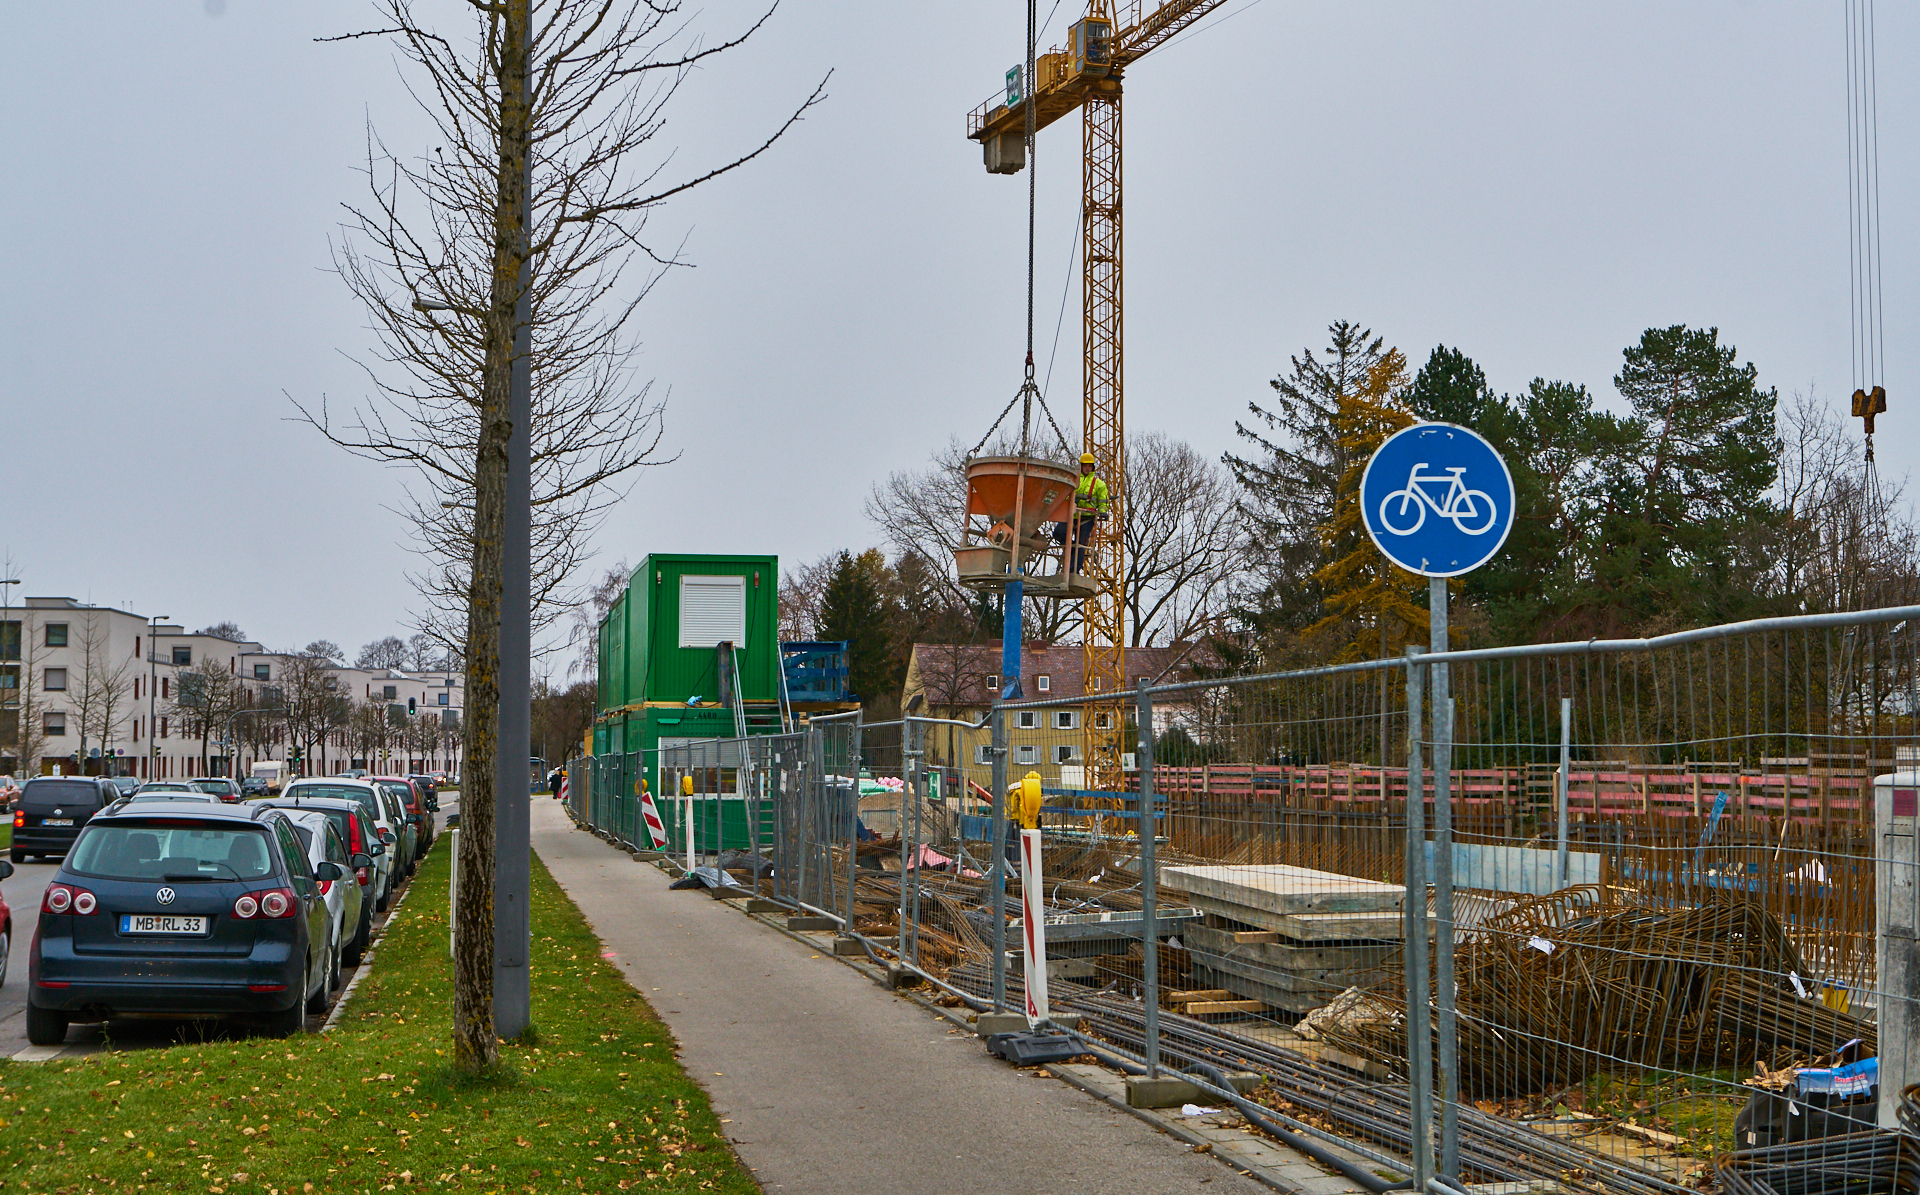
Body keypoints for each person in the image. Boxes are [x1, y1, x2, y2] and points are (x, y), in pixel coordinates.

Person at [1054, 451, 1108, 574]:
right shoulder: (1073, 480)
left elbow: (1103, 501)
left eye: (1089, 466)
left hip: (1087, 518)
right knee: (1058, 533)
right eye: (1085, 466)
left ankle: (1073, 571)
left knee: (1081, 545)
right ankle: (1072, 550)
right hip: (1071, 515)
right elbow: (1065, 495)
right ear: (1081, 466)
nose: (1087, 468)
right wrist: (1072, 500)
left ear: (1092, 467)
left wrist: (1103, 512)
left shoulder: (1099, 484)